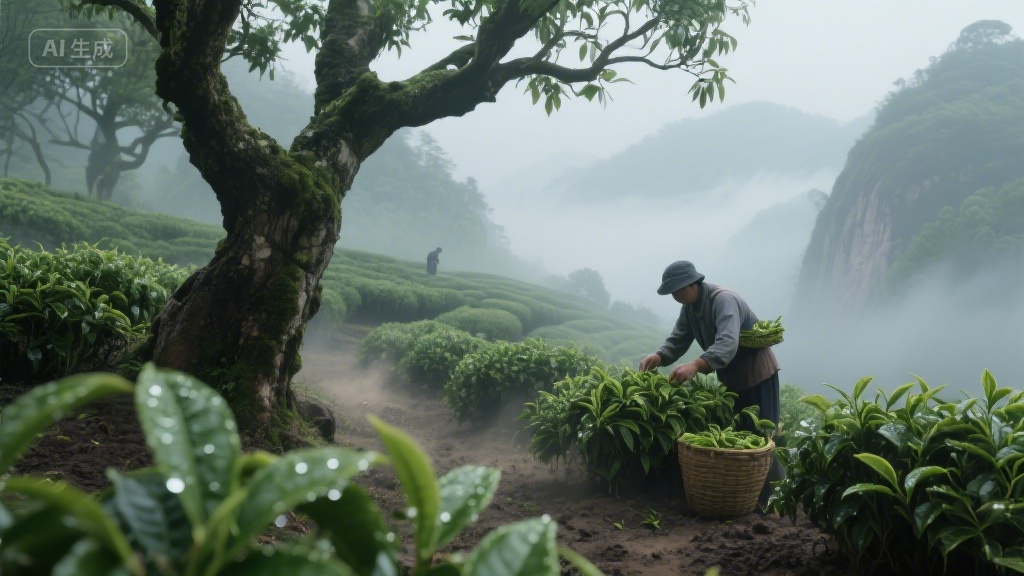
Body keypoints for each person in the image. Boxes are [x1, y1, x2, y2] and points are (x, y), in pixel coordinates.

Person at [638, 260, 785, 510]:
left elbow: (728, 343)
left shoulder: (723, 300)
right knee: (741, 435)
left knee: (762, 435)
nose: (674, 296)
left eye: (677, 290)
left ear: (693, 284)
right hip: (733, 378)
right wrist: (660, 356)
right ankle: (748, 497)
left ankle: (774, 497)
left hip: (757, 375)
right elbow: (679, 338)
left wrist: (695, 365)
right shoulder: (690, 307)